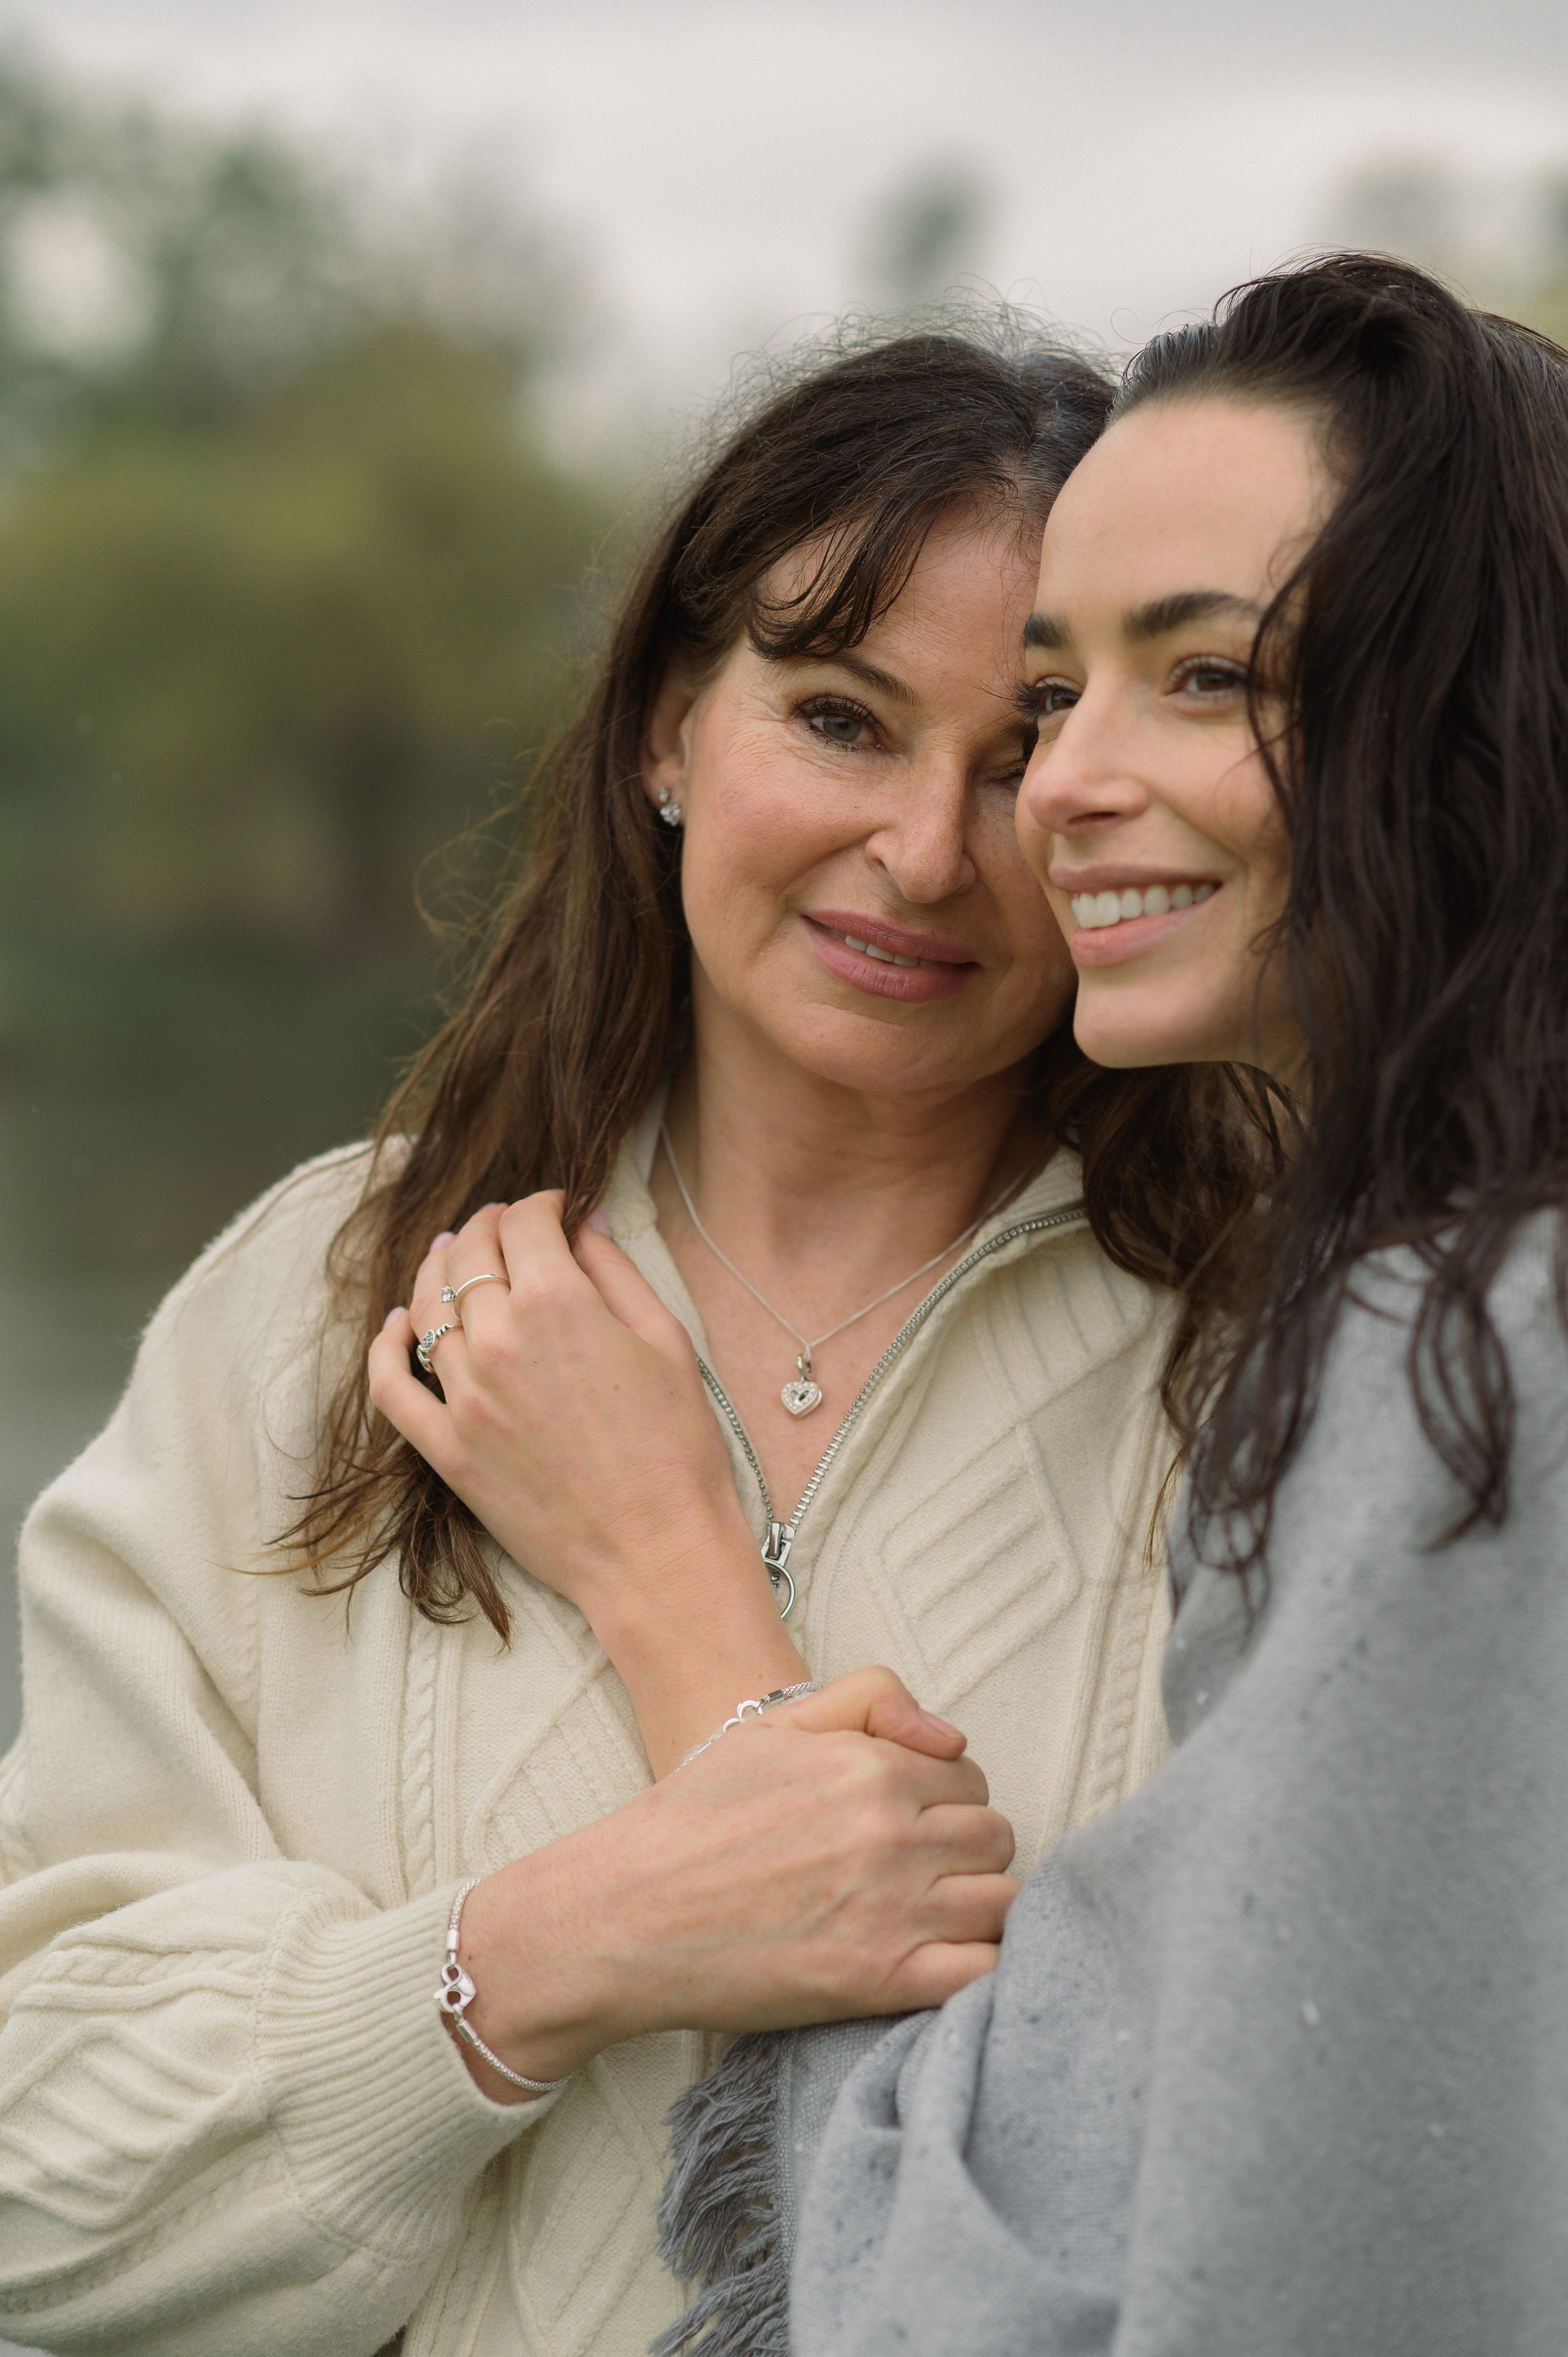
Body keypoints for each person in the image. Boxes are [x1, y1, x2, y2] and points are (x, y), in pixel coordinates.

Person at [0, 327, 1253, 2357]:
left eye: (1021, 754)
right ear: (671, 727)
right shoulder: (312, 1304)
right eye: (839, 719)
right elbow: (33, 2183)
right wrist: (543, 1959)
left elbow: (1262, 2211)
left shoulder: (1283, 1364)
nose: (926, 853)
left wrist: (686, 1608)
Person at [573, 255, 1568, 2355]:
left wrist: (691, 1624)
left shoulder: (1468, 1353)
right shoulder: (329, 1297)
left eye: (1205, 676)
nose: (1062, 793)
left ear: (1470, 704)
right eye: (1061, 694)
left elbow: (1164, 2256)